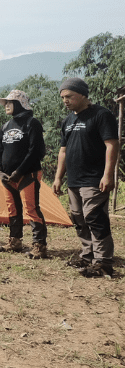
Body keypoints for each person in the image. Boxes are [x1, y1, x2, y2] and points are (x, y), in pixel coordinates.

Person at [52, 78, 119, 277]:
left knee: (95, 218)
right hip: (74, 179)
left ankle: (104, 262)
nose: (65, 101)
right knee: (79, 219)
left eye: (69, 96)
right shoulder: (68, 120)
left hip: (94, 178)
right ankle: (88, 255)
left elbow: (112, 145)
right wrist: (58, 178)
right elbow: (62, 151)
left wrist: (108, 175)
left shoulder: (101, 115)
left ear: (82, 94)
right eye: (62, 97)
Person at [0, 90, 48, 258]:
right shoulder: (5, 126)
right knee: (13, 209)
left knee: (31, 209)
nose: (6, 106)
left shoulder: (32, 123)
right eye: (6, 103)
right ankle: (15, 241)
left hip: (27, 175)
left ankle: (39, 245)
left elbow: (36, 152)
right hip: (8, 178)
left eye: (10, 102)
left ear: (19, 104)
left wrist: (19, 171)